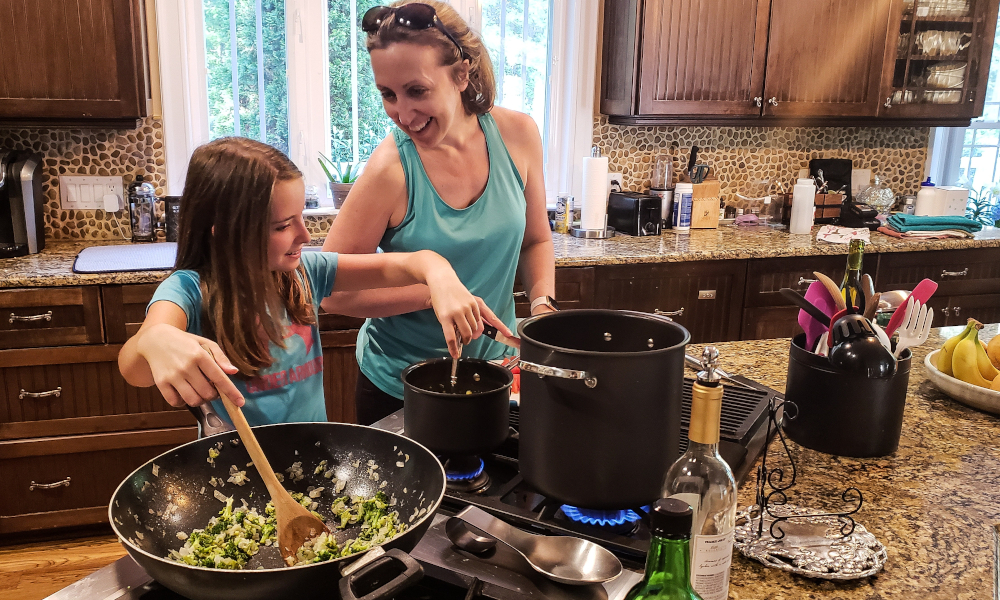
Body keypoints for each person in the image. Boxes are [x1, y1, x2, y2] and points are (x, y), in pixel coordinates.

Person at [118, 137, 511, 427]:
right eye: (283, 225)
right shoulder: (188, 290)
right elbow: (132, 368)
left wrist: (438, 274)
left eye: (300, 217)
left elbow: (410, 263)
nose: (305, 237)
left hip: (313, 458)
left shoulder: (305, 273)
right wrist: (154, 340)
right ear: (227, 231)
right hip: (236, 476)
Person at [321, 1, 556, 425]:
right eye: (388, 95)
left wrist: (542, 308)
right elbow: (331, 289)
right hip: (401, 387)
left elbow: (536, 239)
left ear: (461, 74)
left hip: (498, 375)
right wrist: (431, 294)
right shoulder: (390, 170)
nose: (404, 115)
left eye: (417, 90)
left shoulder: (518, 136)